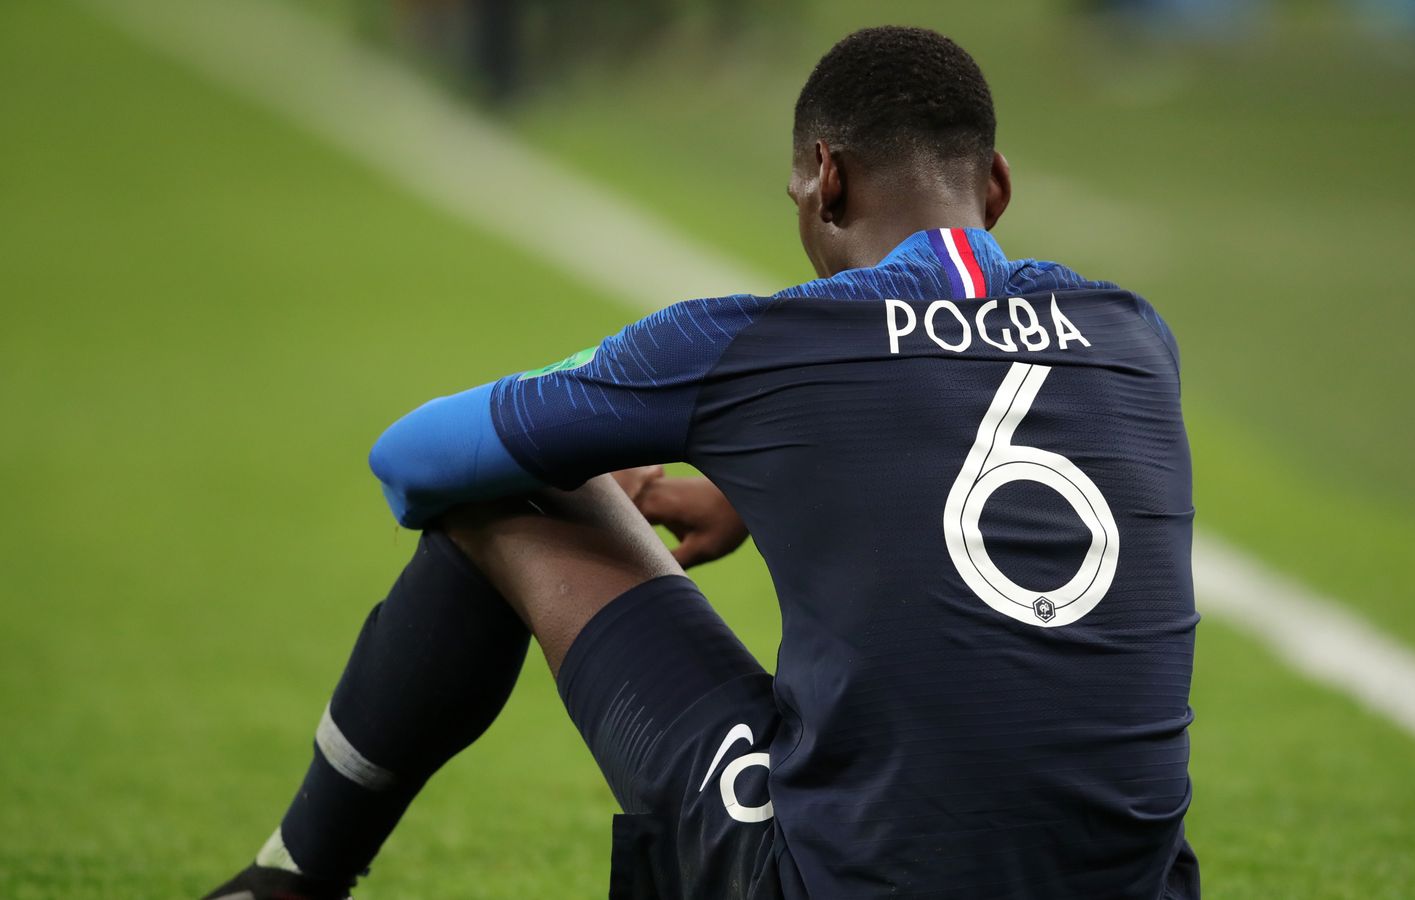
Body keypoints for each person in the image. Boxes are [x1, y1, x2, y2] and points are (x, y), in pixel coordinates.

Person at [203, 25, 1200, 900]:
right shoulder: (1133, 336)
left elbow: (410, 461)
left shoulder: (763, 344)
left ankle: (290, 883)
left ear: (827, 177)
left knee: (510, 481)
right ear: (997, 186)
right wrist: (762, 485)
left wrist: (640, 427)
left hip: (837, 883)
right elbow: (959, 411)